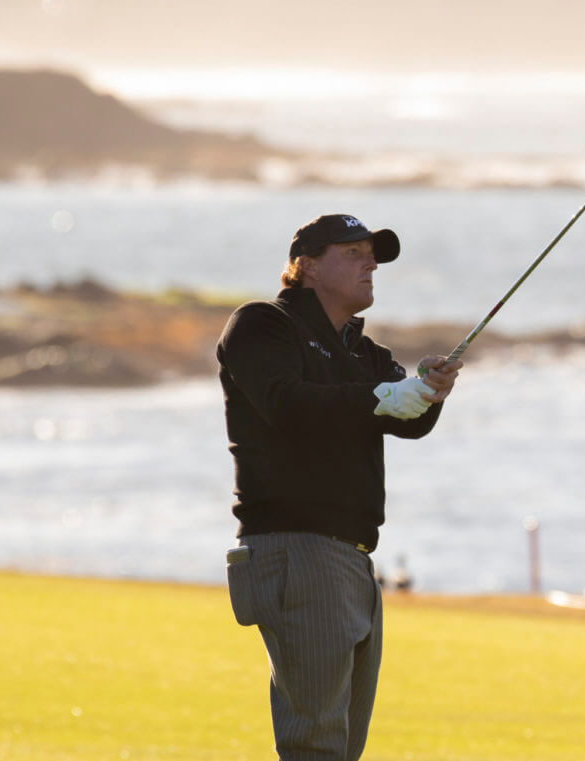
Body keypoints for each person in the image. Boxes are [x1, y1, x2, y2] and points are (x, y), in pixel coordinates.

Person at [216, 213, 462, 761]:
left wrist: (427, 391)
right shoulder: (262, 324)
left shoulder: (363, 353)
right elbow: (287, 403)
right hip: (296, 547)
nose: (370, 263)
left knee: (341, 747)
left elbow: (409, 418)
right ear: (305, 265)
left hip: (351, 559)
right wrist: (385, 396)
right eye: (352, 253)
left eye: (371, 254)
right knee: (317, 745)